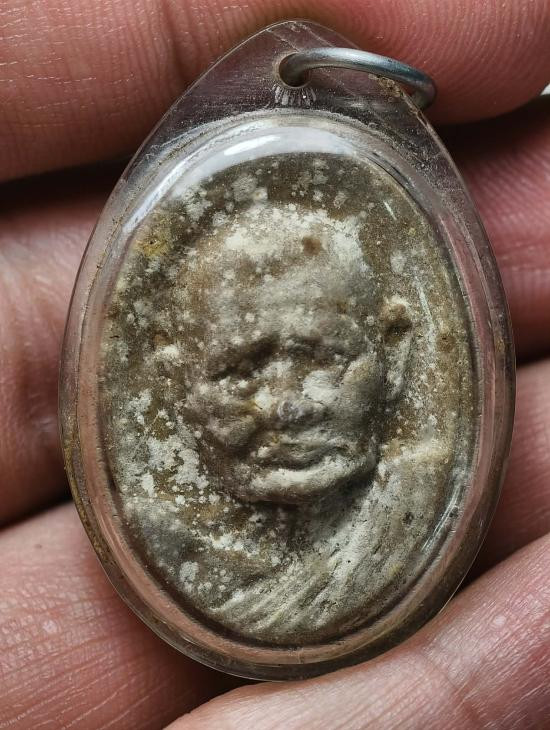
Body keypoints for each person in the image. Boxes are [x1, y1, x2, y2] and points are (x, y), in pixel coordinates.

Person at [0, 1, 549, 727]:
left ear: (395, 351)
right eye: (239, 373)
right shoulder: (168, 538)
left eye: (323, 359)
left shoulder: (421, 511)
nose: (286, 406)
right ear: (174, 381)